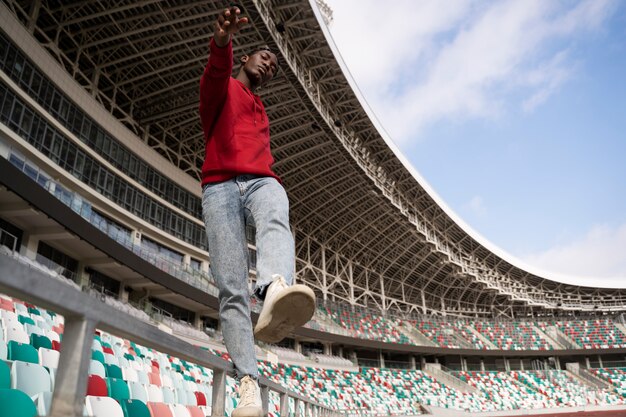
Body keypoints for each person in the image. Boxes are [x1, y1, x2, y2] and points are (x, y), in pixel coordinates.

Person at [199, 5, 316, 417]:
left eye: (273, 68)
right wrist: (222, 41)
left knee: (276, 201)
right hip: (219, 188)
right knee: (230, 287)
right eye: (264, 58)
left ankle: (274, 288)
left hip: (258, 180)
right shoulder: (224, 89)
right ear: (246, 58)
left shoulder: (261, 111)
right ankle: (248, 384)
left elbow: (265, 173)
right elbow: (215, 75)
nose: (269, 66)